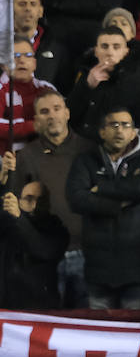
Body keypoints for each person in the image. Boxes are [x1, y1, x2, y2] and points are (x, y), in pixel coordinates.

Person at [66, 107, 140, 310]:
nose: (120, 130)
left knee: (132, 333)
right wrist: (117, 205)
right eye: (114, 125)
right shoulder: (86, 160)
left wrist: (100, 188)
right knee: (99, 335)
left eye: (126, 125)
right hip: (98, 268)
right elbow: (77, 199)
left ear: (133, 132)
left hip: (137, 268)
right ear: (102, 132)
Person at [13, 92, 90, 307]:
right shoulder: (25, 157)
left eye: (57, 108)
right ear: (36, 119)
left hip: (87, 255)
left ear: (67, 113)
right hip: (44, 262)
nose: (52, 115)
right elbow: (19, 211)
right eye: (44, 111)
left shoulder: (90, 151)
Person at [0, 180, 67, 309]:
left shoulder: (58, 229)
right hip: (8, 305)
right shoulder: (7, 226)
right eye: (29, 199)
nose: (35, 205)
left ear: (48, 203)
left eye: (41, 200)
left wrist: (19, 218)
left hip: (40, 307)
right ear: (19, 201)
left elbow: (42, 249)